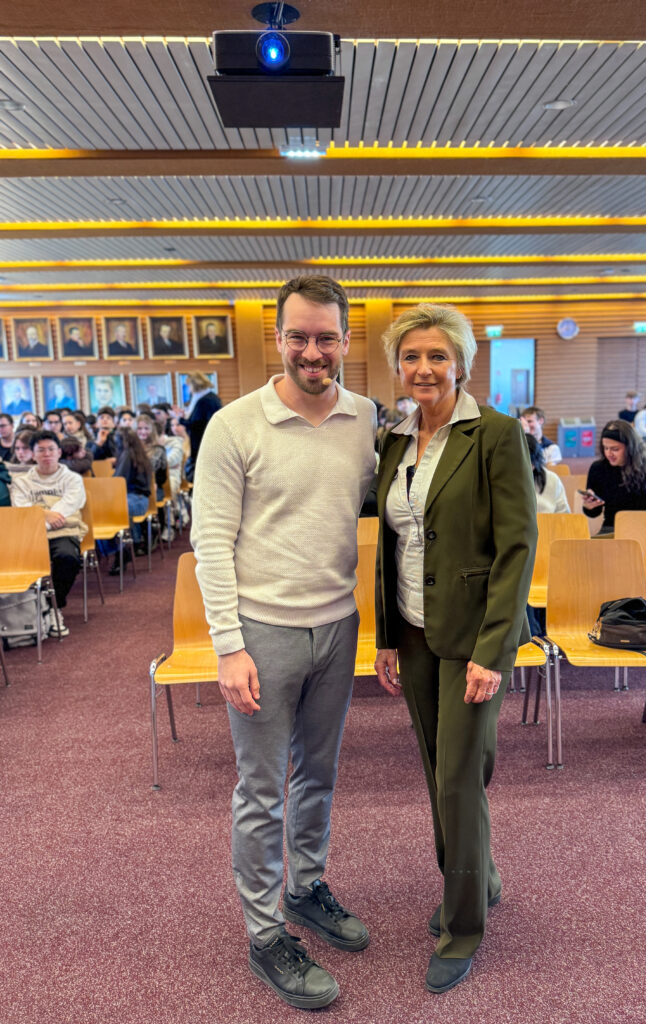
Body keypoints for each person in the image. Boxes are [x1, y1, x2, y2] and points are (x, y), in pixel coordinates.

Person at [191, 275, 377, 1011]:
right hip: (261, 633)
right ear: (278, 338)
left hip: (338, 625)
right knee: (262, 789)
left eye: (326, 337)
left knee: (319, 776)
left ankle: (305, 888)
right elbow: (211, 542)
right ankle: (266, 933)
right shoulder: (234, 425)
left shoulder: (365, 418)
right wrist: (228, 645)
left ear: (346, 340)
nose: (312, 351)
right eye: (298, 336)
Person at [373, 303, 537, 995]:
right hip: (413, 630)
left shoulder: (494, 433)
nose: (423, 368)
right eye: (411, 356)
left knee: (459, 779)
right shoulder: (394, 440)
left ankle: (463, 924)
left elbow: (517, 547)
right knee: (439, 767)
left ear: (462, 364)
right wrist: (386, 635)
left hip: (473, 635)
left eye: (437, 355)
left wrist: (492, 652)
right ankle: (482, 877)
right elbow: (391, 546)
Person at [10, 430, 86, 637]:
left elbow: (68, 507)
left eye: (51, 449)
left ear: (59, 452)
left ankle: (54, 607)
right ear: (33, 454)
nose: (46, 454)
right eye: (41, 450)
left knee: (67, 558)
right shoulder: (22, 482)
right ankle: (23, 611)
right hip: (31, 535)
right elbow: (21, 509)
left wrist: (41, 515)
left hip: (64, 532)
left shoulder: (72, 479)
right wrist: (45, 514)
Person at [582, 420, 646, 537]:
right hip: (612, 529)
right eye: (605, 448)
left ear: (630, 448)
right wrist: (588, 506)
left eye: (615, 449)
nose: (609, 454)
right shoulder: (598, 468)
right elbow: (594, 513)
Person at [106, 428, 152, 574]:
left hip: (135, 499)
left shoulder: (127, 454)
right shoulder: (138, 454)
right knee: (115, 510)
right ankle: (126, 546)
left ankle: (122, 550)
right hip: (140, 500)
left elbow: (118, 481)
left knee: (111, 510)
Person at [173, 372, 222, 482]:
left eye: (189, 385)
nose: (188, 389)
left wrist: (180, 420)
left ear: (195, 384)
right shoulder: (210, 397)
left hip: (203, 442)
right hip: (205, 440)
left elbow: (197, 424)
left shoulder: (205, 400)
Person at [526, 434, 570, 512]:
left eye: (530, 463)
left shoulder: (552, 479)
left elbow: (564, 514)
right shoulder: (505, 479)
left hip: (548, 519)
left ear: (535, 462)